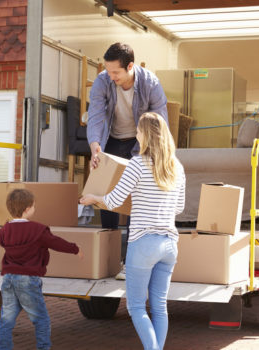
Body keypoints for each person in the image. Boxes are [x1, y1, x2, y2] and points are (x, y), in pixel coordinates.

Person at [80, 112, 185, 350]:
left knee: (136, 306)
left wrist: (93, 198)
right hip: (169, 244)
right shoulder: (177, 167)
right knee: (159, 305)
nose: (136, 135)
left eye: (138, 131)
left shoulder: (137, 164)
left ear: (146, 135)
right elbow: (178, 207)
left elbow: (115, 199)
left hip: (143, 242)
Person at [87, 42, 169, 280]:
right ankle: (109, 259)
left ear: (130, 67)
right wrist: (95, 147)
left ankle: (131, 263)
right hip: (111, 141)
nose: (110, 76)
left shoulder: (150, 83)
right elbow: (96, 115)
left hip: (140, 143)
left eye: (116, 72)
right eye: (108, 71)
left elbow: (159, 121)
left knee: (137, 199)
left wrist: (152, 155)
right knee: (108, 197)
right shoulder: (103, 81)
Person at [0, 189, 83, 350]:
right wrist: (75, 249)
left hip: (8, 278)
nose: (35, 209)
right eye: (34, 206)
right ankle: (43, 347)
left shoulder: (5, 229)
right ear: (27, 209)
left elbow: (2, 243)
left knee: (6, 319)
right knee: (41, 319)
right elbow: (56, 242)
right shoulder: (37, 230)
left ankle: (3, 347)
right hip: (28, 279)